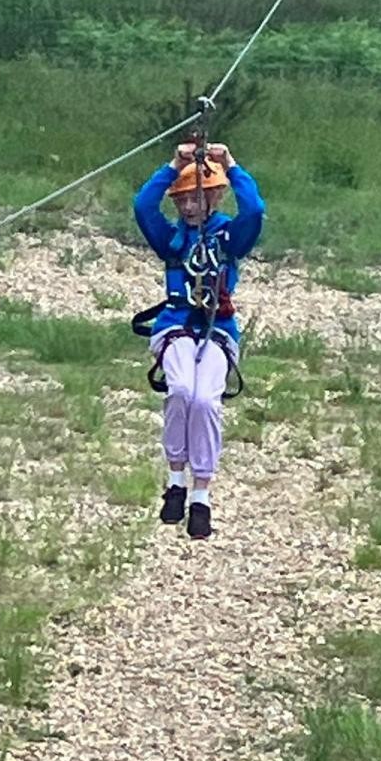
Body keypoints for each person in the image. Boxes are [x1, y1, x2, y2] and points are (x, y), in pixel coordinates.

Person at [133, 140, 265, 540]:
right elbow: (143, 206)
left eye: (197, 198)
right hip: (175, 325)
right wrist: (174, 166)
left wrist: (232, 164)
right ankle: (175, 478)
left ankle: (201, 494)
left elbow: (255, 211)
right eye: (183, 200)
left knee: (205, 400)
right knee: (180, 391)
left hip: (217, 330)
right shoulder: (170, 239)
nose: (189, 207)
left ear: (214, 198)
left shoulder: (229, 238)